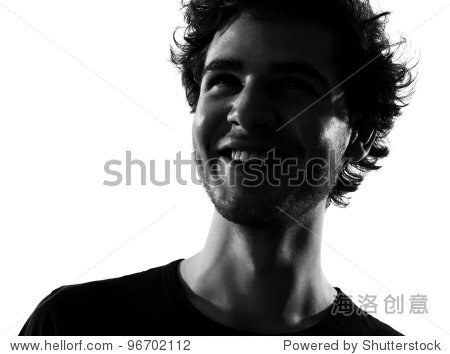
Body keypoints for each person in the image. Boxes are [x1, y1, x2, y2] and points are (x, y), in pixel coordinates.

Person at [19, 0, 415, 336]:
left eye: (294, 84)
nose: (245, 111)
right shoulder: (72, 327)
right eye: (224, 79)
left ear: (358, 134)